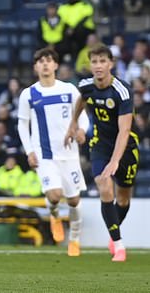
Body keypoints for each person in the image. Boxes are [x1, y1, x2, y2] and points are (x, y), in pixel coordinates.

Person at [65, 45, 139, 262]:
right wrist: (73, 123)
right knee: (104, 186)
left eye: (102, 61)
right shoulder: (86, 85)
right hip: (99, 145)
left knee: (123, 199)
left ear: (111, 64)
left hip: (125, 148)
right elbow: (81, 100)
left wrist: (116, 161)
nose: (98, 66)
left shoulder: (122, 91)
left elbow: (125, 131)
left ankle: (114, 232)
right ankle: (119, 245)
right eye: (94, 62)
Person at [17, 48, 88, 256]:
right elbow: (23, 125)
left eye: (49, 60)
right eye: (40, 61)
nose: (45, 64)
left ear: (56, 65)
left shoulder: (70, 90)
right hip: (45, 155)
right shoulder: (29, 94)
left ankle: (74, 238)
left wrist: (82, 130)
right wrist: (29, 151)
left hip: (70, 155)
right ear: (35, 67)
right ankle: (54, 214)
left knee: (74, 200)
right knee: (55, 195)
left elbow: (82, 116)